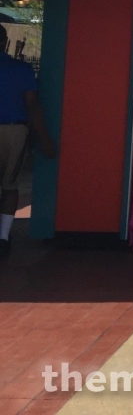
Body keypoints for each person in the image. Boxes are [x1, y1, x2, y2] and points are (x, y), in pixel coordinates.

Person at [0, 25, 56, 257]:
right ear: (4, 42)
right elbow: (32, 105)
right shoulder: (21, 69)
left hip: (15, 129)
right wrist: (45, 140)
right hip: (14, 131)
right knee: (10, 186)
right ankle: (2, 238)